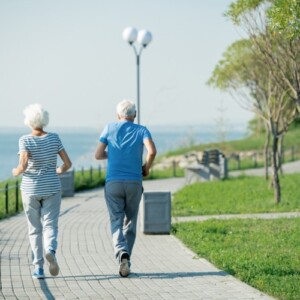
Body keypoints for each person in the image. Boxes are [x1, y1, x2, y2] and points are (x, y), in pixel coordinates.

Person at [95, 99, 157, 277]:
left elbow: (98, 154)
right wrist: (146, 167)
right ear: (134, 115)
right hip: (134, 182)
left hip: (113, 182)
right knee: (130, 222)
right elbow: (152, 151)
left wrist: (114, 153)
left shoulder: (109, 128)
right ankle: (126, 258)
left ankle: (121, 252)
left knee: (116, 221)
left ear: (117, 115)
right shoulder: (142, 130)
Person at [12, 103, 72, 279]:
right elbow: (67, 164)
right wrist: (58, 171)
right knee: (50, 224)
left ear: (29, 121)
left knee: (34, 229)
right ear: (44, 120)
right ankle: (51, 249)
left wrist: (15, 172)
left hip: (30, 189)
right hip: (52, 187)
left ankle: (38, 268)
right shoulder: (54, 138)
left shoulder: (25, 140)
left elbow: (22, 165)